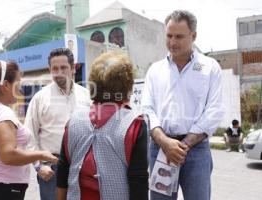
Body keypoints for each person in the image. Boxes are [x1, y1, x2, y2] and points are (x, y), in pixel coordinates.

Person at [142, 10, 224, 200]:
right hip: (161, 150)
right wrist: (165, 142)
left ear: (193, 36)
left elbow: (214, 110)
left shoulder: (209, 67)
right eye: (169, 36)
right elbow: (147, 109)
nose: (172, 42)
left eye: (179, 36)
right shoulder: (155, 70)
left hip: (196, 152)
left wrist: (182, 145)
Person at [56, 52, 149, 200]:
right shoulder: (135, 124)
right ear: (128, 85)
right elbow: (139, 180)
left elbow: (63, 169)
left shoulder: (74, 120)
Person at [0, 60, 58, 200]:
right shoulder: (2, 113)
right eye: (18, 83)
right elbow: (9, 155)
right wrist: (41, 155)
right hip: (2, 190)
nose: (20, 89)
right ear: (5, 85)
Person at [25, 48, 90, 200]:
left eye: (63, 67)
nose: (59, 72)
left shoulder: (86, 96)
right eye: (54, 68)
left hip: (82, 168)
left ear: (73, 68)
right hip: (51, 170)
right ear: (49, 69)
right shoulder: (40, 98)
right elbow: (29, 136)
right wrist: (38, 166)